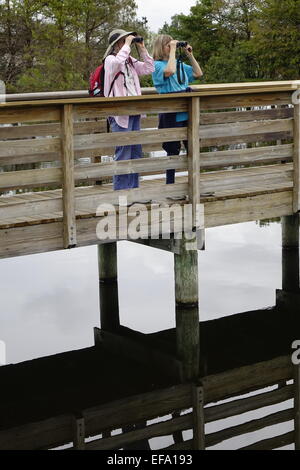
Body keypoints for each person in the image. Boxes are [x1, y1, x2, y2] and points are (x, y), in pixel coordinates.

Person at [103, 29, 154, 191]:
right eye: (124, 40)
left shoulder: (130, 61)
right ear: (116, 43)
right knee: (123, 153)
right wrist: (126, 45)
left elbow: (149, 68)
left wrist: (142, 48)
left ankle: (134, 190)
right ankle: (121, 193)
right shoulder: (110, 60)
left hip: (135, 111)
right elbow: (116, 65)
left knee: (136, 152)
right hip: (119, 114)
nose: (128, 42)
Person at [152, 35, 203, 189]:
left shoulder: (179, 64)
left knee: (193, 148)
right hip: (170, 113)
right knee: (172, 150)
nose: (171, 47)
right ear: (161, 47)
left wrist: (190, 55)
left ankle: (194, 184)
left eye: (172, 45)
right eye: (168, 45)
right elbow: (169, 71)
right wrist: (173, 50)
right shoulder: (157, 65)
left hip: (187, 111)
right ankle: (170, 185)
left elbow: (198, 74)